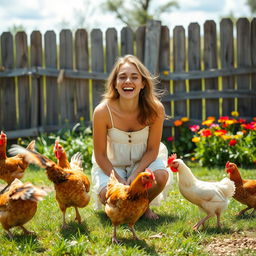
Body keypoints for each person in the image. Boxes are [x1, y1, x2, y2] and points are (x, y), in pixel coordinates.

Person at [91, 54, 173, 220]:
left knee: (161, 176)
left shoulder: (156, 109)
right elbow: (100, 155)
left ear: (143, 83)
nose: (128, 81)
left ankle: (143, 206)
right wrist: (118, 179)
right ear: (115, 83)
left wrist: (136, 173)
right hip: (112, 165)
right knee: (106, 194)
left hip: (144, 161)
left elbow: (152, 150)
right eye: (122, 77)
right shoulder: (102, 112)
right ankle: (129, 208)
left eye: (134, 77)